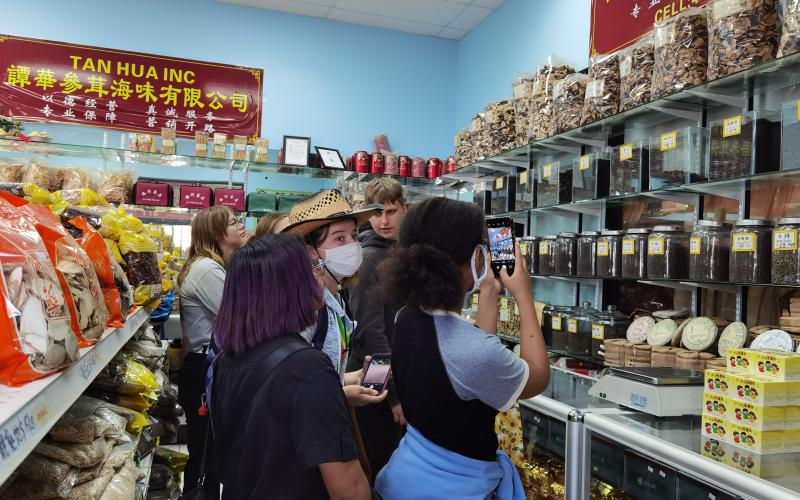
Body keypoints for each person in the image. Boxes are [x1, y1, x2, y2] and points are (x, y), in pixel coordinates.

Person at [375, 198, 550, 499]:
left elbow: (476, 356)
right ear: (468, 258)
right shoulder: (468, 351)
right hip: (455, 489)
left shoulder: (406, 317)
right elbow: (537, 377)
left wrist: (490, 293)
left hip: (406, 475)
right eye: (481, 246)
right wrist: (523, 296)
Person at [210, 234, 371, 500]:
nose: (319, 277)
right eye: (312, 269)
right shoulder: (309, 367)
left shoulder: (227, 358)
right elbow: (348, 489)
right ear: (288, 286)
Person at [176, 206, 248, 498]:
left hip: (208, 365)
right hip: (203, 368)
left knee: (210, 450)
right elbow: (237, 318)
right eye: (234, 223)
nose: (240, 226)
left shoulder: (215, 266)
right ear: (219, 234)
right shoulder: (207, 269)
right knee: (204, 453)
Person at [347, 178, 407, 480]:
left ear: (404, 210)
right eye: (377, 213)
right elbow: (371, 332)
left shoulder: (394, 252)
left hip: (387, 372)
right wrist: (392, 394)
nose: (384, 220)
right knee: (376, 463)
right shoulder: (370, 258)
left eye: (391, 211)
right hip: (373, 376)